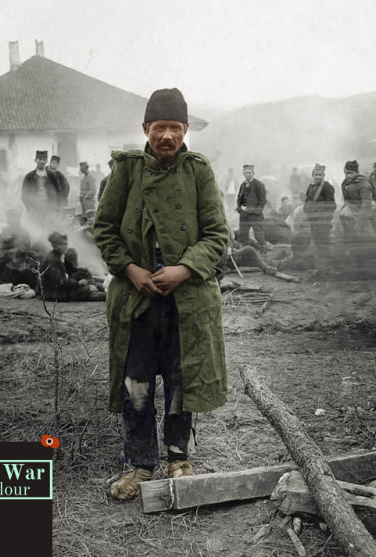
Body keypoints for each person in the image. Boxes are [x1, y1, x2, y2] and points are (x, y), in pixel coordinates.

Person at [94, 87, 228, 500]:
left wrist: (184, 269)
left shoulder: (198, 172)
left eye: (174, 127)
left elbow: (217, 234)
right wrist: (132, 270)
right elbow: (105, 231)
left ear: (185, 129)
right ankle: (138, 463)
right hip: (136, 298)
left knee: (180, 378)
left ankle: (177, 456)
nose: (166, 136)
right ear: (145, 129)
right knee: (136, 384)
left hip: (185, 299)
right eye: (158, 127)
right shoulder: (126, 171)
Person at [39, 231, 105, 302]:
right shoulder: (50, 259)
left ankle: (94, 288)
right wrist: (78, 283)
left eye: (65, 244)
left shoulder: (60, 256)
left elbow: (71, 270)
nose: (65, 247)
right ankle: (97, 293)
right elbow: (60, 282)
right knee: (85, 289)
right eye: (62, 244)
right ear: (55, 245)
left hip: (61, 287)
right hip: (53, 292)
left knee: (84, 273)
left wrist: (84, 272)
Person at [303, 164, 336, 265]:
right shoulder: (311, 186)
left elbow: (332, 205)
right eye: (316, 174)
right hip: (313, 220)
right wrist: (307, 209)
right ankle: (321, 265)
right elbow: (308, 201)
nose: (318, 177)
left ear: (323, 175)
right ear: (312, 175)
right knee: (317, 242)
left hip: (323, 221)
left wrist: (323, 215)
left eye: (320, 175)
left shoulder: (327, 187)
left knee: (324, 243)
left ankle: (327, 265)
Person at [21, 150, 62, 225]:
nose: (42, 162)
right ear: (35, 160)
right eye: (40, 159)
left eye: (44, 159)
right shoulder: (29, 176)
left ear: (47, 161)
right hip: (35, 210)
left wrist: (57, 208)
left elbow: (59, 192)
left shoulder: (52, 175)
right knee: (36, 230)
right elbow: (24, 195)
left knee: (50, 229)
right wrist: (30, 209)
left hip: (50, 209)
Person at [340, 160, 374, 247]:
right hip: (349, 216)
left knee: (365, 241)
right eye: (346, 173)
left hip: (363, 216)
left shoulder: (363, 184)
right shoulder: (345, 183)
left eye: (351, 173)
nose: (348, 175)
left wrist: (360, 223)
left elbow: (366, 204)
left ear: (356, 172)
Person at [236, 165, 267, 252]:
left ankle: (264, 253)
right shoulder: (242, 185)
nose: (248, 174)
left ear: (253, 173)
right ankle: (246, 253)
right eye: (246, 173)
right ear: (243, 174)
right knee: (243, 235)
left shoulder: (259, 184)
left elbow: (263, 200)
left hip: (255, 215)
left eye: (250, 173)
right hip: (244, 214)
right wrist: (239, 207)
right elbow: (239, 197)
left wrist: (257, 211)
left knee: (258, 235)